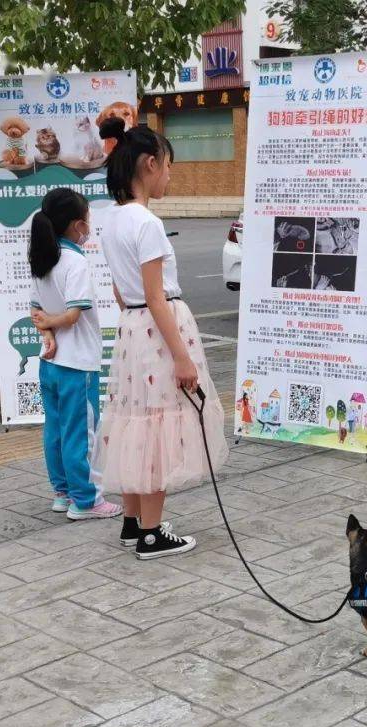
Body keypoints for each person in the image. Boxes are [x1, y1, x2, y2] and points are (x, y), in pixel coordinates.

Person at [95, 119, 229, 560]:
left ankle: (133, 524)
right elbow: (156, 295)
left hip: (132, 330)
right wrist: (182, 357)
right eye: (168, 166)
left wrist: (137, 322)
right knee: (156, 427)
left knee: (134, 421)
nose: (170, 176)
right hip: (156, 329)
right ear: (149, 164)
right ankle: (152, 533)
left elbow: (122, 289)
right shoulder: (147, 222)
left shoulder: (110, 219)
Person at [27, 188, 120, 520]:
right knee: (81, 432)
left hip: (49, 362)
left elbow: (36, 312)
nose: (89, 227)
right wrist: (54, 325)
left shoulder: (42, 258)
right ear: (77, 225)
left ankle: (63, 493)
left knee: (55, 430)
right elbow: (73, 314)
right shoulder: (75, 261)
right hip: (77, 364)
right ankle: (86, 501)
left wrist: (47, 336)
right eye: (88, 221)